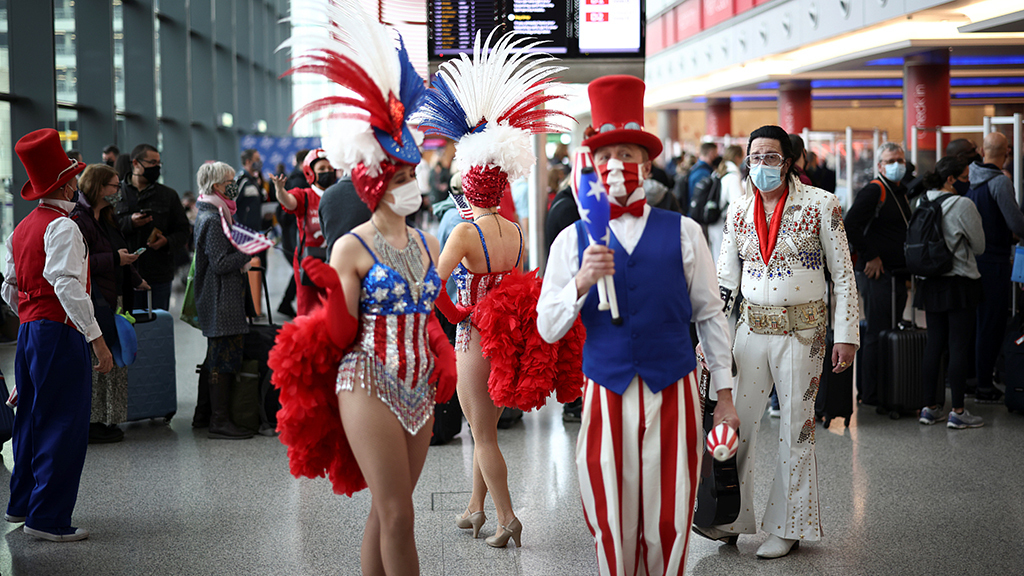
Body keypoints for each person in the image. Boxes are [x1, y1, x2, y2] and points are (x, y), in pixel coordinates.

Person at [270, 6, 456, 573]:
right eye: (401, 176)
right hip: (367, 379)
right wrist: (331, 290)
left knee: (387, 510)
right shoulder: (350, 247)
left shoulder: (427, 243)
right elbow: (341, 334)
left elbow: (431, 311)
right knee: (400, 514)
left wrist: (445, 351)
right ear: (376, 183)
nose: (412, 183)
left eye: (412, 174)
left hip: (420, 383)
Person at [538, 75, 737, 575]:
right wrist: (581, 282)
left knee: (669, 515)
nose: (615, 165)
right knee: (610, 514)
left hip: (673, 389)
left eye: (626, 154)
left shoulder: (685, 232)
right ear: (592, 165)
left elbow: (709, 315)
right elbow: (547, 328)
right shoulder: (572, 240)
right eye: (605, 156)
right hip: (605, 390)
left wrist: (725, 395)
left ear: (646, 165)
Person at [417, 30, 577, 550]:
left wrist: (456, 312)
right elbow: (516, 283)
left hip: (473, 336)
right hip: (506, 337)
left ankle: (508, 518)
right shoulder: (514, 230)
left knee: (481, 433)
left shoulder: (464, 232)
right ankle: (475, 508)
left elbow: (434, 283)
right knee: (483, 423)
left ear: (466, 185)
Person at [711, 125, 858, 558]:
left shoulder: (821, 204)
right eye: (754, 157)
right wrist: (712, 336)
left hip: (803, 332)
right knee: (737, 423)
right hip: (750, 330)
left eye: (771, 157)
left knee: (796, 428)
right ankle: (729, 516)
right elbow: (725, 280)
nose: (762, 165)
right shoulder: (738, 209)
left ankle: (788, 526)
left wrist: (846, 335)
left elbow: (843, 275)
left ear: (788, 161)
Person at [3, 128, 114, 542]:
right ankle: (48, 518)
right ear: (66, 185)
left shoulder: (21, 229)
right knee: (64, 422)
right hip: (60, 332)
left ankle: (22, 504)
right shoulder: (64, 227)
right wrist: (96, 339)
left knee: (32, 419)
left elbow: (9, 288)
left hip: (30, 332)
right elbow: (67, 284)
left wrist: (31, 320)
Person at [71, 164, 150, 444]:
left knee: (114, 360)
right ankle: (92, 422)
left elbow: (118, 253)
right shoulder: (78, 219)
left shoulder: (105, 216)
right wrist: (117, 259)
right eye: (114, 186)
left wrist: (135, 277)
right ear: (98, 186)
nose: (118, 191)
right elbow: (79, 264)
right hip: (94, 300)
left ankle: (108, 418)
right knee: (99, 361)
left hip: (112, 297)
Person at [917, 156, 986, 428]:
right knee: (958, 345)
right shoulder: (963, 204)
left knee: (934, 343)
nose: (968, 181)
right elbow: (979, 246)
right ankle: (957, 411)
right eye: (965, 177)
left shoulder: (923, 201)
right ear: (950, 179)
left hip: (930, 281)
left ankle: (929, 408)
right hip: (959, 283)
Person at [843, 142, 912, 406]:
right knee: (876, 330)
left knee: (889, 328)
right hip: (876, 273)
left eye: (900, 160)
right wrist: (870, 255)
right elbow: (850, 224)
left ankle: (888, 385)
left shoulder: (900, 190)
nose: (897, 165)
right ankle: (871, 393)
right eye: (891, 161)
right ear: (880, 166)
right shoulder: (875, 190)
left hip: (896, 273)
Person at [192, 161, 255, 440]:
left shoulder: (214, 211)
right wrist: (248, 251)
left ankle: (204, 414)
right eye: (230, 181)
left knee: (214, 356)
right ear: (216, 185)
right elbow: (219, 263)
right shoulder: (213, 218)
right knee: (223, 358)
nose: (234, 185)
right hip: (221, 297)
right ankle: (219, 420)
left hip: (220, 295)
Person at [968, 132, 1024, 404]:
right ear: (1007, 153)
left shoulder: (970, 177)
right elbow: (1016, 223)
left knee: (977, 324)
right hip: (995, 261)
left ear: (982, 150)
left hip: (973, 260)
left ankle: (973, 379)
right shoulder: (1000, 181)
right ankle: (984, 384)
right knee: (992, 324)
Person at [112, 143, 190, 310]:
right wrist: (129, 222)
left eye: (159, 163)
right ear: (135, 163)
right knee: (128, 324)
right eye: (152, 162)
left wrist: (166, 241)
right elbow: (105, 228)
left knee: (158, 323)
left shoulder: (168, 196)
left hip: (159, 276)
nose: (157, 167)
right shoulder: (116, 194)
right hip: (125, 276)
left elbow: (183, 231)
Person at [272, 148, 336, 316]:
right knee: (308, 311)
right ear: (310, 172)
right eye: (322, 169)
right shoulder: (304, 195)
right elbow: (289, 202)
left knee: (334, 310)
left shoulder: (338, 195)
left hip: (335, 260)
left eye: (330, 168)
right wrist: (280, 191)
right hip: (309, 261)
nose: (327, 172)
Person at [707, 144, 745, 263]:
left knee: (716, 256)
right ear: (737, 157)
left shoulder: (718, 171)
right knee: (724, 260)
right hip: (723, 222)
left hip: (714, 219)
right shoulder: (732, 176)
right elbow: (738, 202)